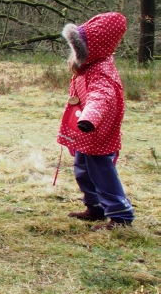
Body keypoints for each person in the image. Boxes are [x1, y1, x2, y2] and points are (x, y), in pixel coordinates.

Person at [59, 12, 134, 230]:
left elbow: (101, 97)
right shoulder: (92, 65)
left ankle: (121, 216)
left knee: (102, 171)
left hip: (97, 130)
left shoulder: (101, 72)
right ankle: (96, 207)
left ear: (91, 49)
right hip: (87, 131)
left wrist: (89, 118)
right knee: (82, 168)